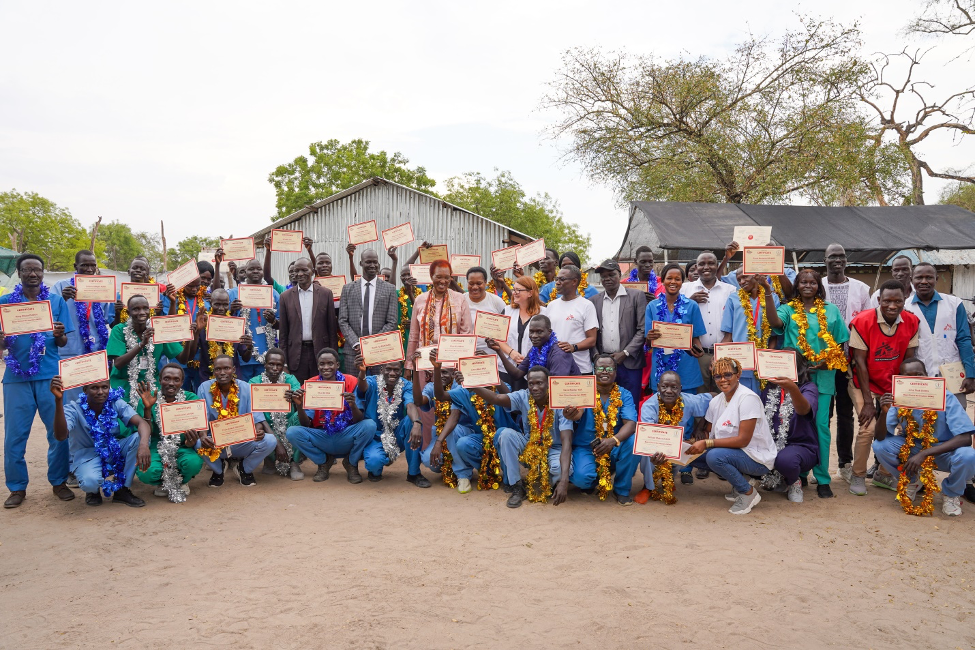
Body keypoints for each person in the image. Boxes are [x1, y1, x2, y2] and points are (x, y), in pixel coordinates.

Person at [1, 254, 75, 508]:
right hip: (16, 378)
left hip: (50, 376)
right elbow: (2, 345)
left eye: (37, 270)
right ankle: (17, 488)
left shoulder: (55, 301)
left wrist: (60, 334)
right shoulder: (5, 303)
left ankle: (58, 482)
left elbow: (63, 343)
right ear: (19, 273)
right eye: (27, 270)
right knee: (14, 436)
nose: (32, 274)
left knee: (58, 433)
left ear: (43, 273)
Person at [768, 268, 849, 498]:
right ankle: (800, 474)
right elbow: (774, 322)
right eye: (803, 282)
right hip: (796, 376)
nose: (807, 286)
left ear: (818, 286)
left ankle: (822, 478)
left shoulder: (831, 311)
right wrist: (767, 291)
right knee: (796, 425)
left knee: (821, 427)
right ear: (797, 285)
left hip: (824, 376)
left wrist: (828, 361)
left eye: (812, 282)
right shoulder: (788, 309)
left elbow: (842, 345)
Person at [872, 358, 974, 516]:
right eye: (909, 376)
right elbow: (879, 437)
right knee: (880, 446)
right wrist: (884, 413)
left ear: (927, 376)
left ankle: (951, 494)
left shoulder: (945, 397)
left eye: (919, 374)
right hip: (914, 448)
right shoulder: (899, 398)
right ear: (901, 379)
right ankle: (912, 481)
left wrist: (924, 453)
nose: (916, 380)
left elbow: (966, 438)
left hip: (944, 451)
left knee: (968, 455)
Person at [846, 279, 920, 496]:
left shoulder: (912, 322)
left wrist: (902, 394)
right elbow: (860, 362)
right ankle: (858, 475)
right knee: (868, 427)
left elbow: (909, 361)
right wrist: (869, 402)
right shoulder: (862, 321)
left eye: (898, 301)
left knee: (898, 427)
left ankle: (883, 473)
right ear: (878, 300)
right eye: (887, 300)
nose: (892, 305)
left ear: (905, 299)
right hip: (864, 382)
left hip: (895, 383)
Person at [469, 366, 576, 508]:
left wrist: (564, 481)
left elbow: (566, 442)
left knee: (560, 469)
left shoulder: (560, 401)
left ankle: (547, 483)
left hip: (553, 448)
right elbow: (496, 397)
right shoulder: (523, 396)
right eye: (531, 383)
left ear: (549, 383)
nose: (535, 387)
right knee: (505, 434)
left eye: (539, 383)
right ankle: (517, 486)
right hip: (529, 445)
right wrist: (472, 385)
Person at [684, 357, 778, 515]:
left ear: (738, 375)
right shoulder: (717, 401)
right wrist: (685, 444)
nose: (722, 380)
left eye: (728, 375)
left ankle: (748, 493)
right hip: (734, 453)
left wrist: (706, 443)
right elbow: (706, 431)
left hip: (757, 458)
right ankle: (740, 483)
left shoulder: (748, 399)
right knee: (691, 455)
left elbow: (743, 440)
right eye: (718, 376)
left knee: (714, 456)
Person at [50, 376, 150, 507]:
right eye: (94, 388)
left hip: (112, 450)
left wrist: (143, 445)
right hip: (87, 456)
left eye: (105, 387)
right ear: (85, 390)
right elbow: (61, 436)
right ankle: (93, 491)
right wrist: (58, 400)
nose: (100, 392)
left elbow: (141, 423)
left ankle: (122, 490)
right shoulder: (73, 408)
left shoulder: (115, 402)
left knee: (140, 438)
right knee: (90, 483)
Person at [285, 348, 375, 484]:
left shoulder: (350, 381)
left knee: (369, 425)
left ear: (337, 365)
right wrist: (299, 405)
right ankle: (323, 462)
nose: (326, 367)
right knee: (292, 432)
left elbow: (359, 419)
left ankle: (351, 462)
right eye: (322, 364)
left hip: (346, 434)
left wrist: (352, 405)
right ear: (318, 366)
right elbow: (306, 424)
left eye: (330, 363)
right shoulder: (311, 385)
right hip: (322, 436)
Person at [820, 244, 871, 484]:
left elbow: (868, 323)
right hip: (821, 362)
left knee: (845, 414)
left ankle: (844, 464)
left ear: (846, 260)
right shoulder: (816, 284)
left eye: (841, 256)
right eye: (833, 256)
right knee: (822, 414)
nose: (837, 260)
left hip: (851, 361)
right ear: (825, 260)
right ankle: (819, 465)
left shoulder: (861, 288)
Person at [560, 354, 640, 505]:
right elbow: (578, 414)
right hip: (586, 446)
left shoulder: (624, 394)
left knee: (634, 441)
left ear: (615, 372)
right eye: (600, 368)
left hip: (614, 445)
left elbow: (630, 423)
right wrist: (570, 414)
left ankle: (621, 489)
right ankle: (596, 478)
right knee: (582, 480)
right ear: (593, 371)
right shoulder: (584, 391)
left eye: (609, 368)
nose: (605, 372)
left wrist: (613, 440)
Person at [197, 355, 276, 487]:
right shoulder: (204, 388)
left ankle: (244, 469)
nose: (222, 373)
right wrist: (204, 436)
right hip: (216, 443)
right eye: (218, 369)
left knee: (270, 440)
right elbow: (201, 418)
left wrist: (258, 431)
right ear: (213, 371)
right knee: (198, 442)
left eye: (226, 368)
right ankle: (218, 469)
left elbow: (256, 416)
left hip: (242, 441)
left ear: (233, 369)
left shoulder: (245, 387)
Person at [905, 263, 975, 409]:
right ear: (911, 279)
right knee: (925, 423)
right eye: (919, 277)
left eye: (929, 277)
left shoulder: (954, 303)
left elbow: (964, 340)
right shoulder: (905, 308)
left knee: (956, 422)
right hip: (921, 376)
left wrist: (970, 373)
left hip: (953, 375)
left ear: (936, 279)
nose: (924, 281)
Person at [356, 353, 431, 488]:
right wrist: (362, 372)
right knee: (374, 463)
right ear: (381, 370)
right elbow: (362, 387)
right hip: (375, 437)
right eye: (388, 369)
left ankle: (414, 473)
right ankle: (379, 464)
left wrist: (417, 423)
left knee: (411, 421)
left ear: (401, 371)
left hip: (397, 435)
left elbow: (410, 405)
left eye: (396, 370)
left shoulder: (405, 384)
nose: (392, 373)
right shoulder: (372, 381)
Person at [107, 295, 195, 407]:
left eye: (145, 308)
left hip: (152, 385)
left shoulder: (157, 329)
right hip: (124, 385)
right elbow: (118, 364)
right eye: (136, 309)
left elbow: (183, 359)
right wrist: (141, 344)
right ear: (128, 312)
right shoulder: (119, 330)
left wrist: (189, 338)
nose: (142, 312)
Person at [51, 250, 116, 403]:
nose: (88, 269)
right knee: (71, 398)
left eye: (92, 265)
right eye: (84, 265)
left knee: (96, 396)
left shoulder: (102, 287)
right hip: (70, 350)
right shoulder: (61, 286)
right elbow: (49, 314)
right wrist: (62, 298)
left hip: (97, 351)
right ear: (75, 266)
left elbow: (110, 319)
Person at [134, 364, 205, 501]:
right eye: (167, 379)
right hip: (157, 446)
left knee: (193, 463)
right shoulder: (149, 398)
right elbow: (147, 432)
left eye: (176, 379)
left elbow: (198, 429)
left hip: (183, 446)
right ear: (159, 380)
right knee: (146, 471)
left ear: (181, 382)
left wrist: (191, 442)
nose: (171, 383)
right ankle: (162, 482)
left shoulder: (191, 399)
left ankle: (182, 481)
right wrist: (148, 409)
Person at [636, 371, 713, 498]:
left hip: (675, 444)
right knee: (645, 451)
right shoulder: (649, 406)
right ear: (658, 387)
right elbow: (647, 435)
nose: (669, 391)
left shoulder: (688, 400)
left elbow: (714, 399)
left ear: (680, 389)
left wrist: (700, 428)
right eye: (664, 386)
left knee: (684, 448)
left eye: (674, 387)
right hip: (654, 443)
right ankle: (648, 486)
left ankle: (668, 479)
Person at [758, 359, 820, 503]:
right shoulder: (769, 389)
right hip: (771, 444)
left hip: (800, 446)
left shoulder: (808, 388)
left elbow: (804, 410)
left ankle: (794, 481)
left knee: (786, 461)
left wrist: (792, 388)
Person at [590, 259, 647, 406]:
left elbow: (642, 329)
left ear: (619, 274)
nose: (607, 279)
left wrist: (625, 353)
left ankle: (630, 430)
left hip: (629, 362)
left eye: (611, 274)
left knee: (630, 404)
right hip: (603, 364)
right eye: (603, 276)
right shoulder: (593, 301)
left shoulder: (636, 296)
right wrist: (596, 356)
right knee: (605, 405)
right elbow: (591, 332)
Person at [646, 264, 706, 394]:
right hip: (661, 366)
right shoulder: (652, 306)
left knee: (686, 409)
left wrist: (699, 351)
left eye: (677, 279)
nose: (673, 282)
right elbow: (647, 343)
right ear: (663, 281)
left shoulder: (692, 306)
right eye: (669, 278)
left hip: (686, 366)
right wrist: (649, 338)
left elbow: (696, 339)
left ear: (682, 282)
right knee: (661, 410)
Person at [338, 247, 399, 375]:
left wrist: (373, 345)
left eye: (375, 262)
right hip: (354, 352)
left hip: (380, 351)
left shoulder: (389, 289)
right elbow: (343, 320)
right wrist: (356, 344)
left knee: (378, 390)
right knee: (355, 391)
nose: (372, 265)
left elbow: (392, 321)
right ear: (361, 263)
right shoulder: (348, 289)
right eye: (368, 262)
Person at [681, 251, 735, 393]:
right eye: (702, 264)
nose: (706, 267)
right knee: (700, 398)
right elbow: (675, 317)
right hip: (697, 355)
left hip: (725, 353)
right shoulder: (685, 289)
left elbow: (734, 325)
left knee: (725, 395)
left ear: (717, 266)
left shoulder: (730, 291)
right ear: (696, 267)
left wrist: (720, 353)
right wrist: (689, 301)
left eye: (711, 263)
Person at [405, 259, 473, 371]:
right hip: (425, 361)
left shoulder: (460, 299)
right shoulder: (420, 300)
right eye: (439, 277)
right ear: (431, 276)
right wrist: (409, 366)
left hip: (452, 364)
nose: (443, 281)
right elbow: (414, 335)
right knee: (426, 389)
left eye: (447, 277)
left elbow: (466, 332)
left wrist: (463, 363)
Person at [278, 258, 338, 382]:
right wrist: (284, 363)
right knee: (298, 393)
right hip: (295, 355)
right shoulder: (285, 297)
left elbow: (332, 330)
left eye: (304, 270)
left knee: (320, 392)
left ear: (313, 272)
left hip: (321, 353)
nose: (300, 274)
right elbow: (283, 333)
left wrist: (334, 357)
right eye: (296, 271)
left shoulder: (326, 294)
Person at [720, 270, 780, 393]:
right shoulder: (733, 298)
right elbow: (728, 334)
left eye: (745, 277)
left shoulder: (772, 297)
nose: (742, 282)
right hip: (741, 362)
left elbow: (775, 334)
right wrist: (719, 357)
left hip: (763, 363)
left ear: (756, 275)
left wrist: (767, 358)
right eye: (739, 279)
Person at [248, 348, 304, 480]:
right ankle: (269, 458)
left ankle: (293, 462)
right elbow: (255, 413)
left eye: (279, 365)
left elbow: (299, 394)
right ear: (265, 364)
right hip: (266, 425)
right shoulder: (254, 382)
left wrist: (295, 397)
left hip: (287, 424)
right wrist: (277, 443)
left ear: (283, 366)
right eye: (271, 364)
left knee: (299, 419)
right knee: (257, 426)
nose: (274, 368)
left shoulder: (290, 379)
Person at [227, 259, 280, 381]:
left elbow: (281, 324)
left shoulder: (273, 294)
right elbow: (224, 321)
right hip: (242, 354)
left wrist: (273, 320)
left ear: (263, 272)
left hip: (267, 354)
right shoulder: (234, 293)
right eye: (251, 269)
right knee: (243, 391)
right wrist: (231, 310)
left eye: (259, 269)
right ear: (245, 272)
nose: (255, 271)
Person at [487, 275, 543, 390]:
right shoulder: (507, 311)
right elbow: (498, 338)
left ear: (530, 293)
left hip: (533, 370)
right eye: (514, 289)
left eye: (518, 290)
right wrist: (511, 352)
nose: (514, 293)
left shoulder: (544, 313)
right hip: (506, 368)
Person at [488, 314, 580, 382]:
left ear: (549, 332)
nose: (534, 336)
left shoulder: (559, 353)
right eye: (531, 332)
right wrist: (499, 351)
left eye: (539, 332)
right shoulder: (535, 349)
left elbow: (557, 386)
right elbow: (517, 374)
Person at [544, 265, 599, 374]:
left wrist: (573, 347)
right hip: (556, 368)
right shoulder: (551, 306)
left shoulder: (586, 305)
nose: (557, 282)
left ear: (574, 281)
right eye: (557, 279)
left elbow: (592, 340)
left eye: (562, 279)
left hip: (581, 368)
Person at [194, 288, 254, 383]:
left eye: (225, 304)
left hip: (233, 379)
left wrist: (250, 347)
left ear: (229, 304)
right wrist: (197, 332)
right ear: (211, 303)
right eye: (217, 304)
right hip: (208, 377)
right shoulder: (203, 323)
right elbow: (191, 354)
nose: (221, 308)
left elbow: (245, 358)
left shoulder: (236, 324)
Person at [719, 240, 796, 301]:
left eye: (768, 251)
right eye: (757, 251)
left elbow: (792, 295)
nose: (762, 254)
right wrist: (726, 258)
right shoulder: (741, 274)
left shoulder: (787, 272)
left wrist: (777, 265)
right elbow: (715, 282)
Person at [111, 255, 166, 325]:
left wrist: (158, 313)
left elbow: (161, 325)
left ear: (147, 274)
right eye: (135, 268)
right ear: (128, 272)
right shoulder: (118, 296)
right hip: (123, 334)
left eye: (142, 269)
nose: (138, 271)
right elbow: (113, 326)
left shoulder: (156, 296)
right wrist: (118, 313)